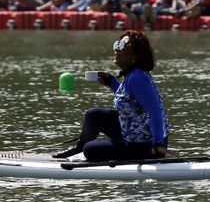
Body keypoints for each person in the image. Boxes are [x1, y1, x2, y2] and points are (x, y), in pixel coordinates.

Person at [53, 30, 170, 161]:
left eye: (121, 45)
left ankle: (84, 152)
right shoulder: (133, 75)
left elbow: (156, 111)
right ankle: (78, 150)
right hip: (133, 133)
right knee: (94, 114)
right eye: (116, 44)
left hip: (146, 147)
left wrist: (157, 143)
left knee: (90, 149)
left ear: (135, 55)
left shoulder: (137, 78)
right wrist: (111, 81)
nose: (116, 49)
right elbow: (128, 99)